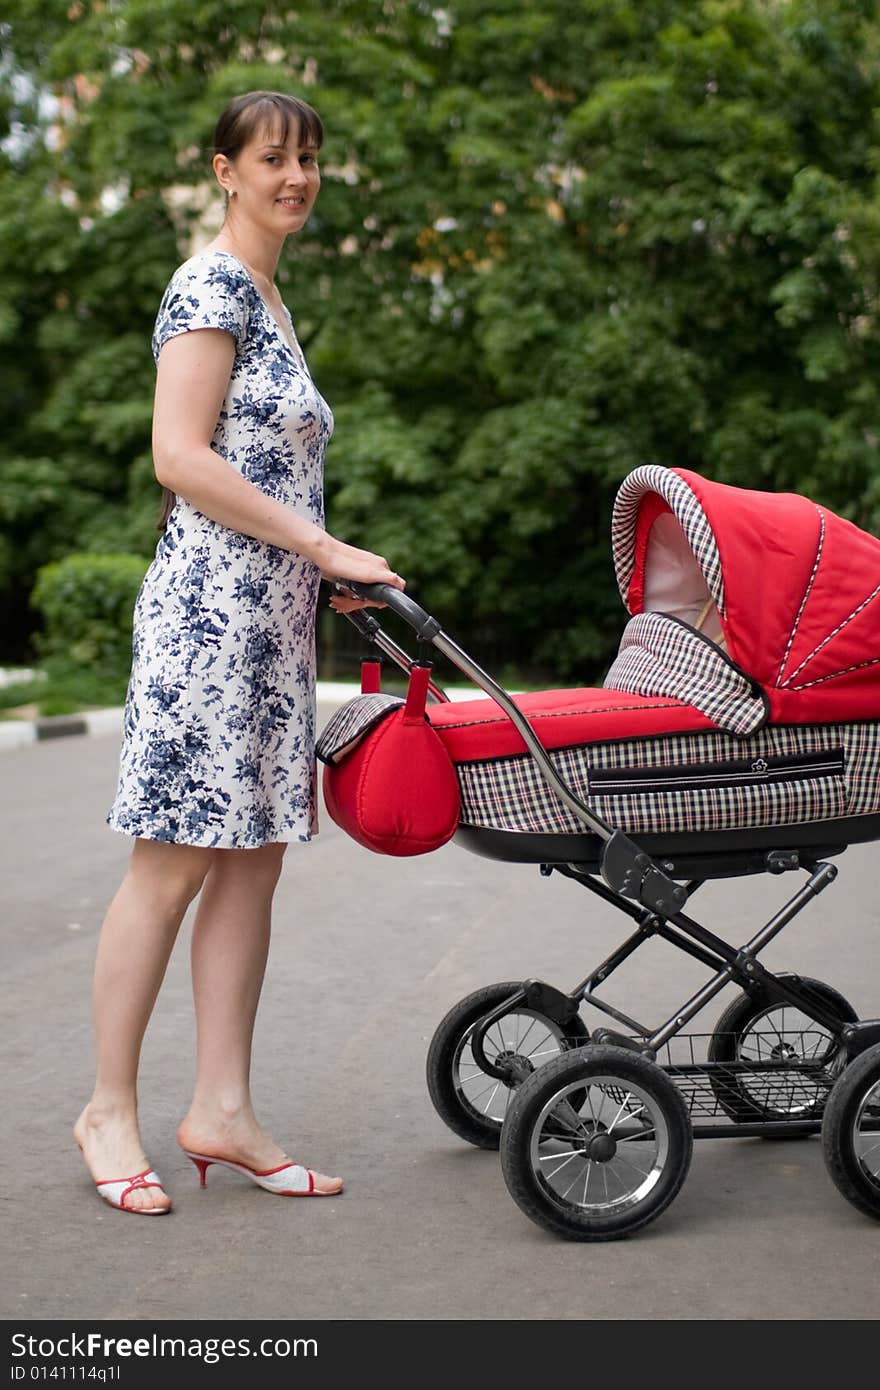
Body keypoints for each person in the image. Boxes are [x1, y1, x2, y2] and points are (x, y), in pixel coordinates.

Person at [74, 90, 404, 1214]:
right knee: (168, 868)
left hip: (271, 624)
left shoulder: (270, 294)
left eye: (309, 156)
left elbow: (271, 469)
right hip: (206, 622)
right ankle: (107, 1107)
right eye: (273, 158)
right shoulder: (209, 284)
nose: (296, 176)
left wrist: (324, 572)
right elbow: (179, 456)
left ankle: (222, 1106)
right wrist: (318, 540)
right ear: (225, 169)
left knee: (252, 861)